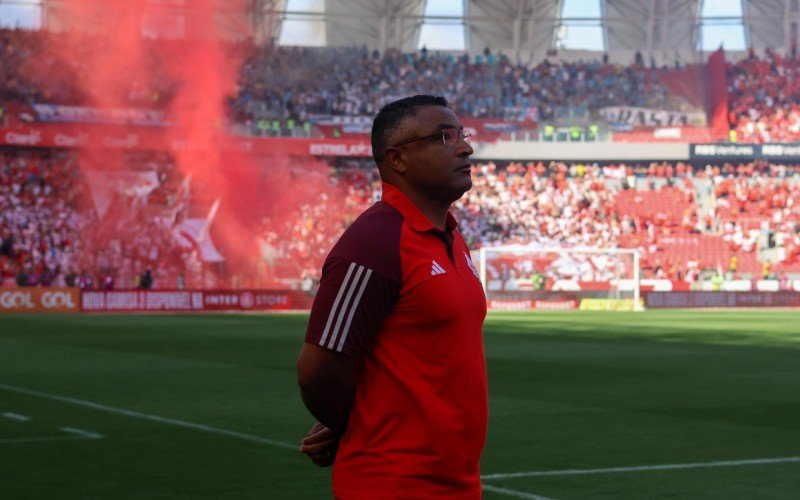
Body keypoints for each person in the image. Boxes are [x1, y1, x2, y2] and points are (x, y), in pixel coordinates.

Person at [296, 95, 488, 499]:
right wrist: (360, 423)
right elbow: (317, 371)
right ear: (397, 159)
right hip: (392, 483)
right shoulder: (375, 241)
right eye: (444, 137)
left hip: (457, 483)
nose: (465, 147)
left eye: (462, 134)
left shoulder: (451, 237)